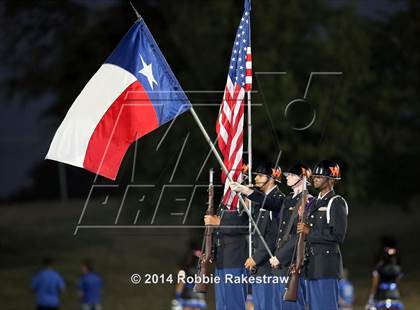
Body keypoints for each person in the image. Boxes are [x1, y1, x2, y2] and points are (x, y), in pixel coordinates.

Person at [230, 162, 285, 310]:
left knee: (267, 305)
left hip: (268, 264)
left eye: (260, 176)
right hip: (259, 265)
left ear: (272, 178)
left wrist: (257, 257)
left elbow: (274, 235)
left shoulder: (278, 199)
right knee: (259, 305)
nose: (256, 179)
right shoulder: (260, 200)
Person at [297, 160, 348, 310]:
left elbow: (338, 236)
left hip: (326, 266)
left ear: (331, 180)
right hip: (312, 265)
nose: (315, 178)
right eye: (315, 176)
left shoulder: (336, 202)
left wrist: (310, 232)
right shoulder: (313, 203)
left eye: (320, 176)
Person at [269, 163, 313, 310]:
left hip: (292, 259)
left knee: (292, 304)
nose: (287, 178)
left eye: (292, 175)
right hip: (280, 259)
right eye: (288, 175)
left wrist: (280, 256)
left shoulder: (308, 201)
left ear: (303, 179)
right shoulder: (288, 199)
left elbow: (299, 235)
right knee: (280, 304)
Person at [204, 201, 249, 310]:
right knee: (222, 305)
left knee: (233, 305)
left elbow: (247, 226)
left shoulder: (245, 193)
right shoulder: (227, 195)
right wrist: (211, 249)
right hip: (221, 259)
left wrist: (220, 222)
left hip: (235, 260)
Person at [173, 242, 206, 310]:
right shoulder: (201, 270)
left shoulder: (185, 269)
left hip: (188, 298)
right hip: (198, 298)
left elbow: (181, 283)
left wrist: (177, 297)